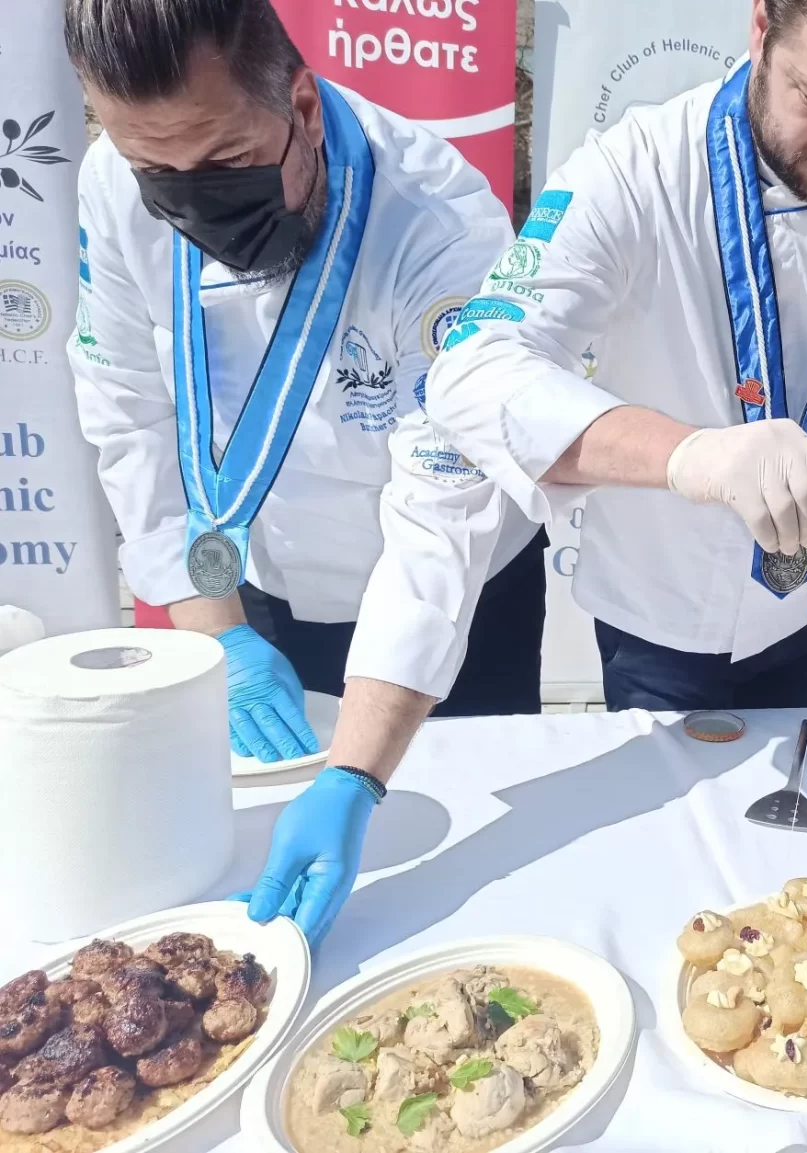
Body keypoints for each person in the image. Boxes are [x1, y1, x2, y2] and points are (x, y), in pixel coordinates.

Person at [64, 0, 541, 944]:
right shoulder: (114, 183)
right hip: (263, 585)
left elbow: (443, 508)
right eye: (158, 173)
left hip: (455, 597)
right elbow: (128, 412)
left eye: (226, 163)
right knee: (278, 878)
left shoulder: (440, 224)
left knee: (474, 877)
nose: (193, 203)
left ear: (305, 107)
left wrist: (357, 772)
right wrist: (218, 631)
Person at [425, 0, 807, 711]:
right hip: (658, 609)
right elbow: (473, 371)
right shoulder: (634, 169)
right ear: (761, 30)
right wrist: (693, 456)